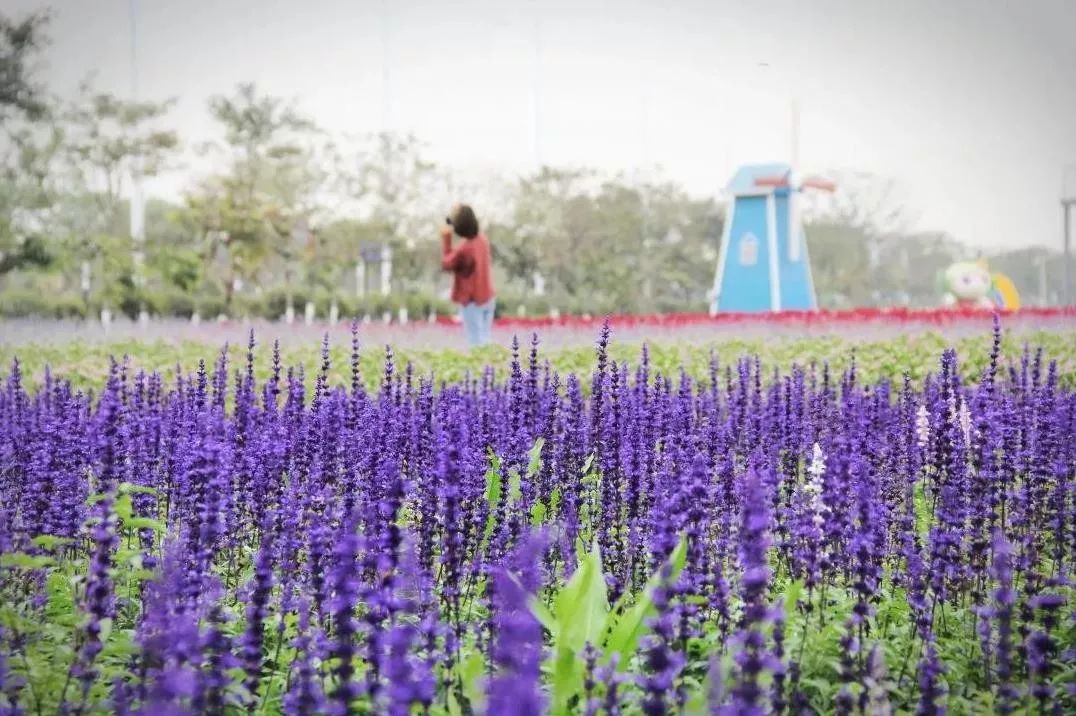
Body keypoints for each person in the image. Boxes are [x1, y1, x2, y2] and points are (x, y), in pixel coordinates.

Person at [440, 203, 495, 347]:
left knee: (475, 341)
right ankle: (490, 367)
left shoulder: (465, 248)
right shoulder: (482, 240)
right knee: (485, 338)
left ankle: (481, 368)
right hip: (487, 297)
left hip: (472, 301)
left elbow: (447, 264)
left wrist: (446, 239)